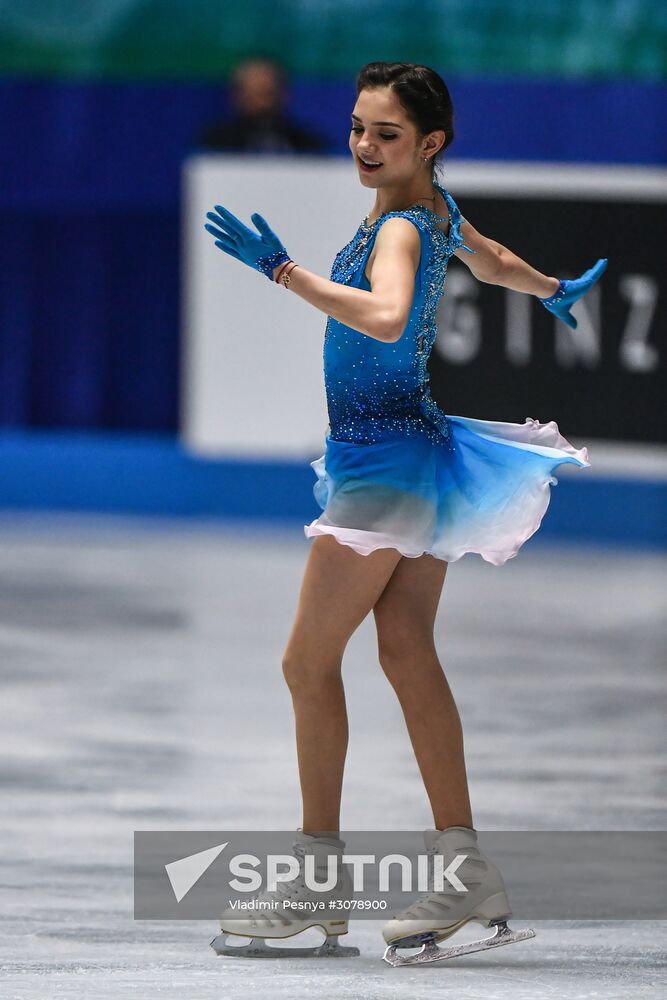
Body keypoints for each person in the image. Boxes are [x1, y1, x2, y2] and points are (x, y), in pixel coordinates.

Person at [203, 61, 607, 964]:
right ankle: (462, 871)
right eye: (355, 128)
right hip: (416, 453)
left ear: (430, 144)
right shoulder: (434, 211)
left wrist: (281, 271)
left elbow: (386, 318)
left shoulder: (397, 228)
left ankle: (314, 889)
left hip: (383, 466)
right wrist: (552, 291)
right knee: (405, 650)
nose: (362, 146)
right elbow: (489, 257)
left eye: (385, 135)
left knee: (307, 664)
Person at [197, 56, 328, 153]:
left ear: (283, 94)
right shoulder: (215, 145)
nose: (261, 105)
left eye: (266, 93)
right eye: (252, 95)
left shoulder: (309, 145)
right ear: (237, 96)